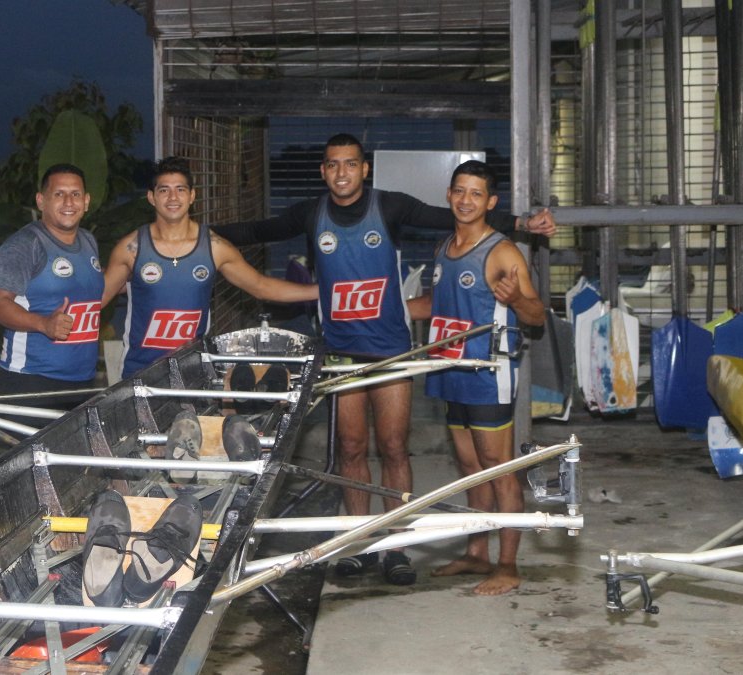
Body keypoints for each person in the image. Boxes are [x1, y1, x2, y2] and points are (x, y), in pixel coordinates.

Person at [212, 134, 556, 586]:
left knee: (396, 448)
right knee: (352, 449)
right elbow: (260, 231)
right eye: (333, 164)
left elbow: (453, 215)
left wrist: (522, 223)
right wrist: (197, 234)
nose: (342, 172)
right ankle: (359, 544)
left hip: (396, 350)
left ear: (364, 168)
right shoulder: (315, 214)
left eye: (350, 163)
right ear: (323, 171)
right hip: (344, 350)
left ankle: (398, 546)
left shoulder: (392, 208)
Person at [408, 160, 545, 595]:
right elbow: (436, 304)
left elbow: (537, 315)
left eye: (476, 194)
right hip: (451, 368)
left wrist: (517, 299)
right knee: (470, 467)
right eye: (459, 191)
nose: (466, 200)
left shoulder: (502, 252)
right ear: (449, 195)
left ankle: (508, 566)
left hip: (488, 372)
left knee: (499, 469)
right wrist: (388, 310)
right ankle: (476, 553)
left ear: (491, 202)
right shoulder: (445, 247)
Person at [102, 156, 318, 379]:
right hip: (139, 374)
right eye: (164, 190)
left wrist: (319, 291)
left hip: (192, 372)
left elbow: (261, 286)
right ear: (151, 197)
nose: (173, 197)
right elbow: (96, 300)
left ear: (192, 196)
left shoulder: (215, 247)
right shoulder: (131, 249)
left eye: (180, 189)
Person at [0, 164, 103, 401]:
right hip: (31, 381)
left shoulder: (89, 240)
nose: (69, 202)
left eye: (75, 194)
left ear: (86, 201)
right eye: (59, 194)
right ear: (41, 201)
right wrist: (43, 324)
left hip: (83, 382)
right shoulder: (24, 245)